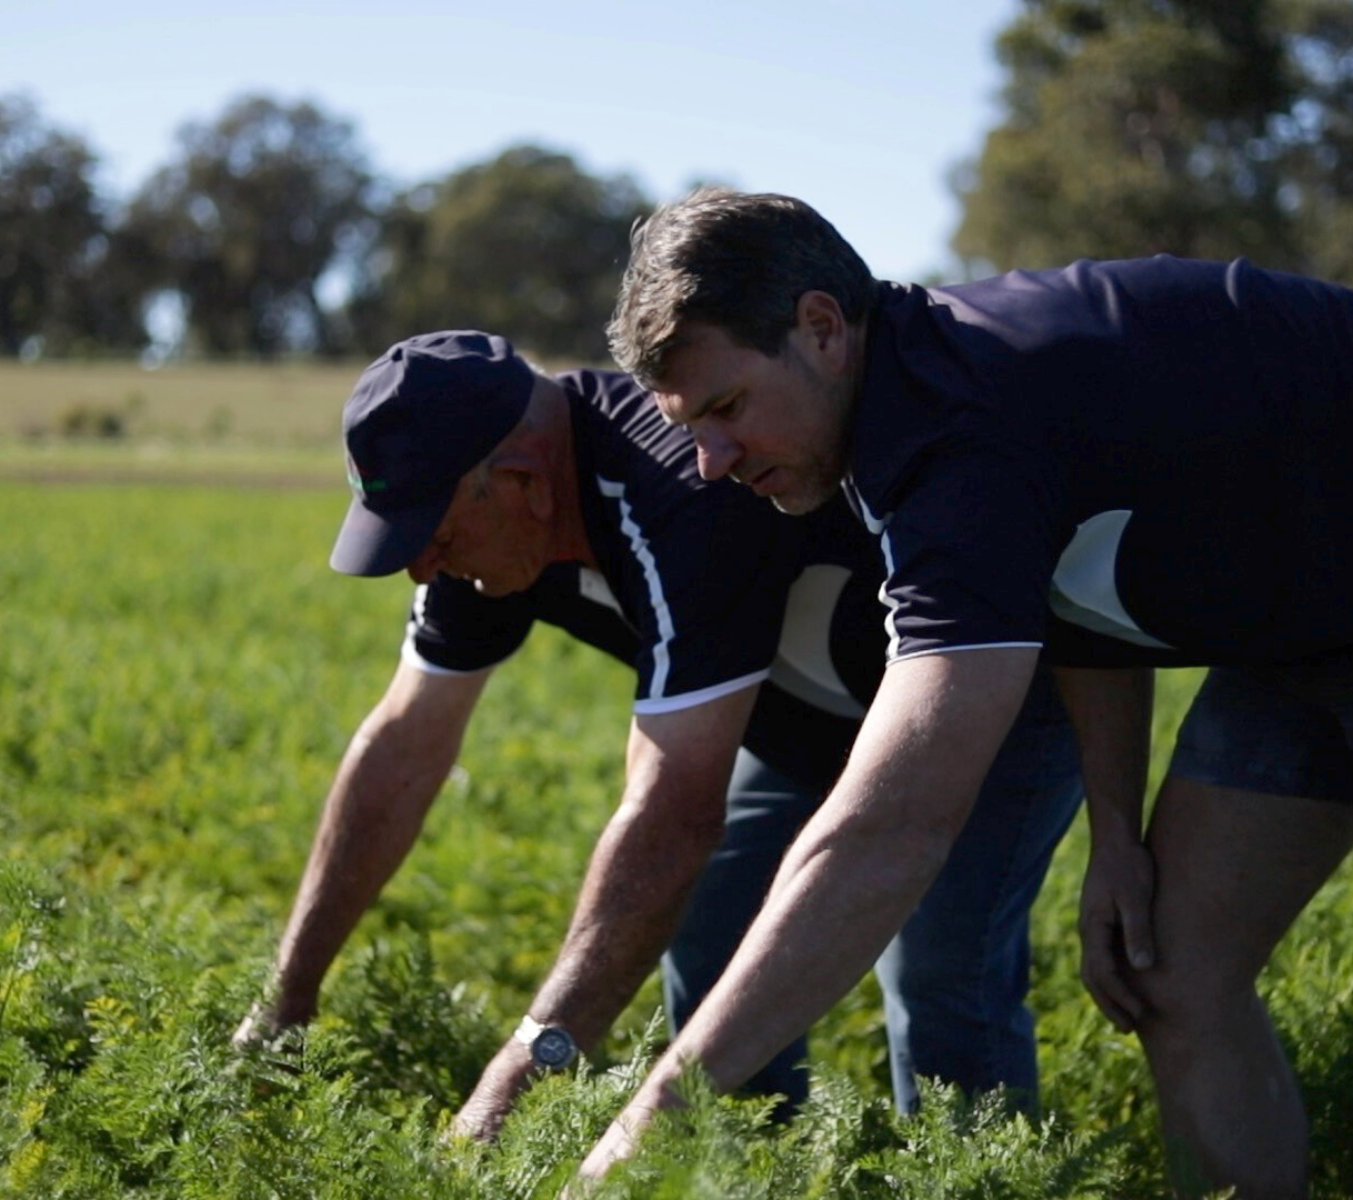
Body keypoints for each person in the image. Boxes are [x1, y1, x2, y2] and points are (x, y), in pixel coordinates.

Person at [578, 189, 1353, 1199]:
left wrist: (658, 1110)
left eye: (723, 410)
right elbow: (1083, 596)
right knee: (1169, 974)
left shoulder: (959, 427)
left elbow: (890, 826)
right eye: (687, 426)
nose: (706, 463)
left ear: (819, 328)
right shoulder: (902, 405)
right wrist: (1113, 832)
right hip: (1298, 616)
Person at [234, 330, 1087, 1137]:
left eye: (437, 536)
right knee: (713, 929)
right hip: (803, 728)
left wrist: (524, 1070)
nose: (425, 567)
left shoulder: (679, 489)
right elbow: (402, 747)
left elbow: (671, 817)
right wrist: (287, 998)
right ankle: (750, 1169)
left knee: (939, 968)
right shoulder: (483, 525)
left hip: (982, 702)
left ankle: (978, 1173)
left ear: (528, 481)